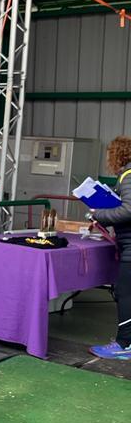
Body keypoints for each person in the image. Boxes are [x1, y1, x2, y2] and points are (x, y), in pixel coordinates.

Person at [89, 136, 131, 359]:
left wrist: (100, 215)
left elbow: (128, 210)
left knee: (124, 293)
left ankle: (124, 344)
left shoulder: (128, 176)